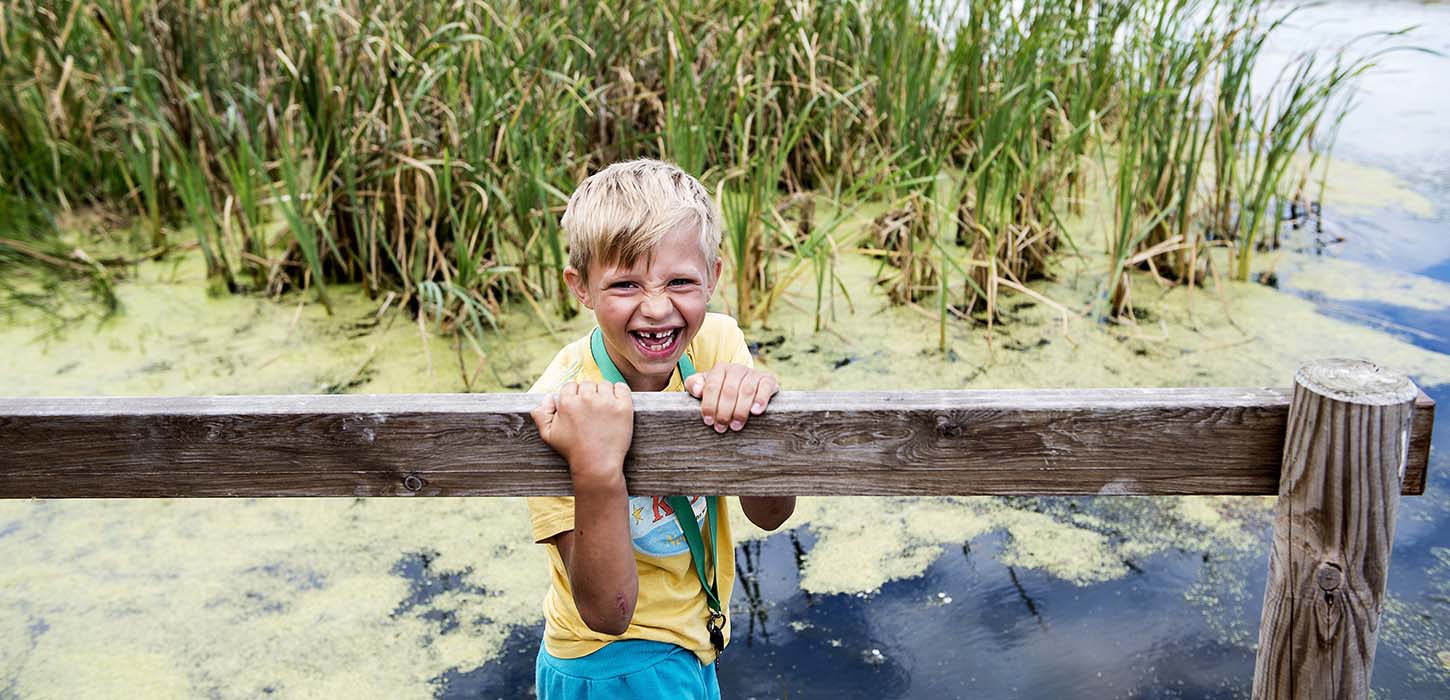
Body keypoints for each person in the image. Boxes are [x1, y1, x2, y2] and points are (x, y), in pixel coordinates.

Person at [526, 159, 796, 698]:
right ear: (581, 287)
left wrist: (755, 414)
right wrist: (597, 467)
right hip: (614, 665)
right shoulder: (558, 405)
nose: (655, 308)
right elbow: (607, 613)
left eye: (680, 282)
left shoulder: (717, 343)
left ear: (713, 277)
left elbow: (771, 514)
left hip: (691, 640)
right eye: (625, 284)